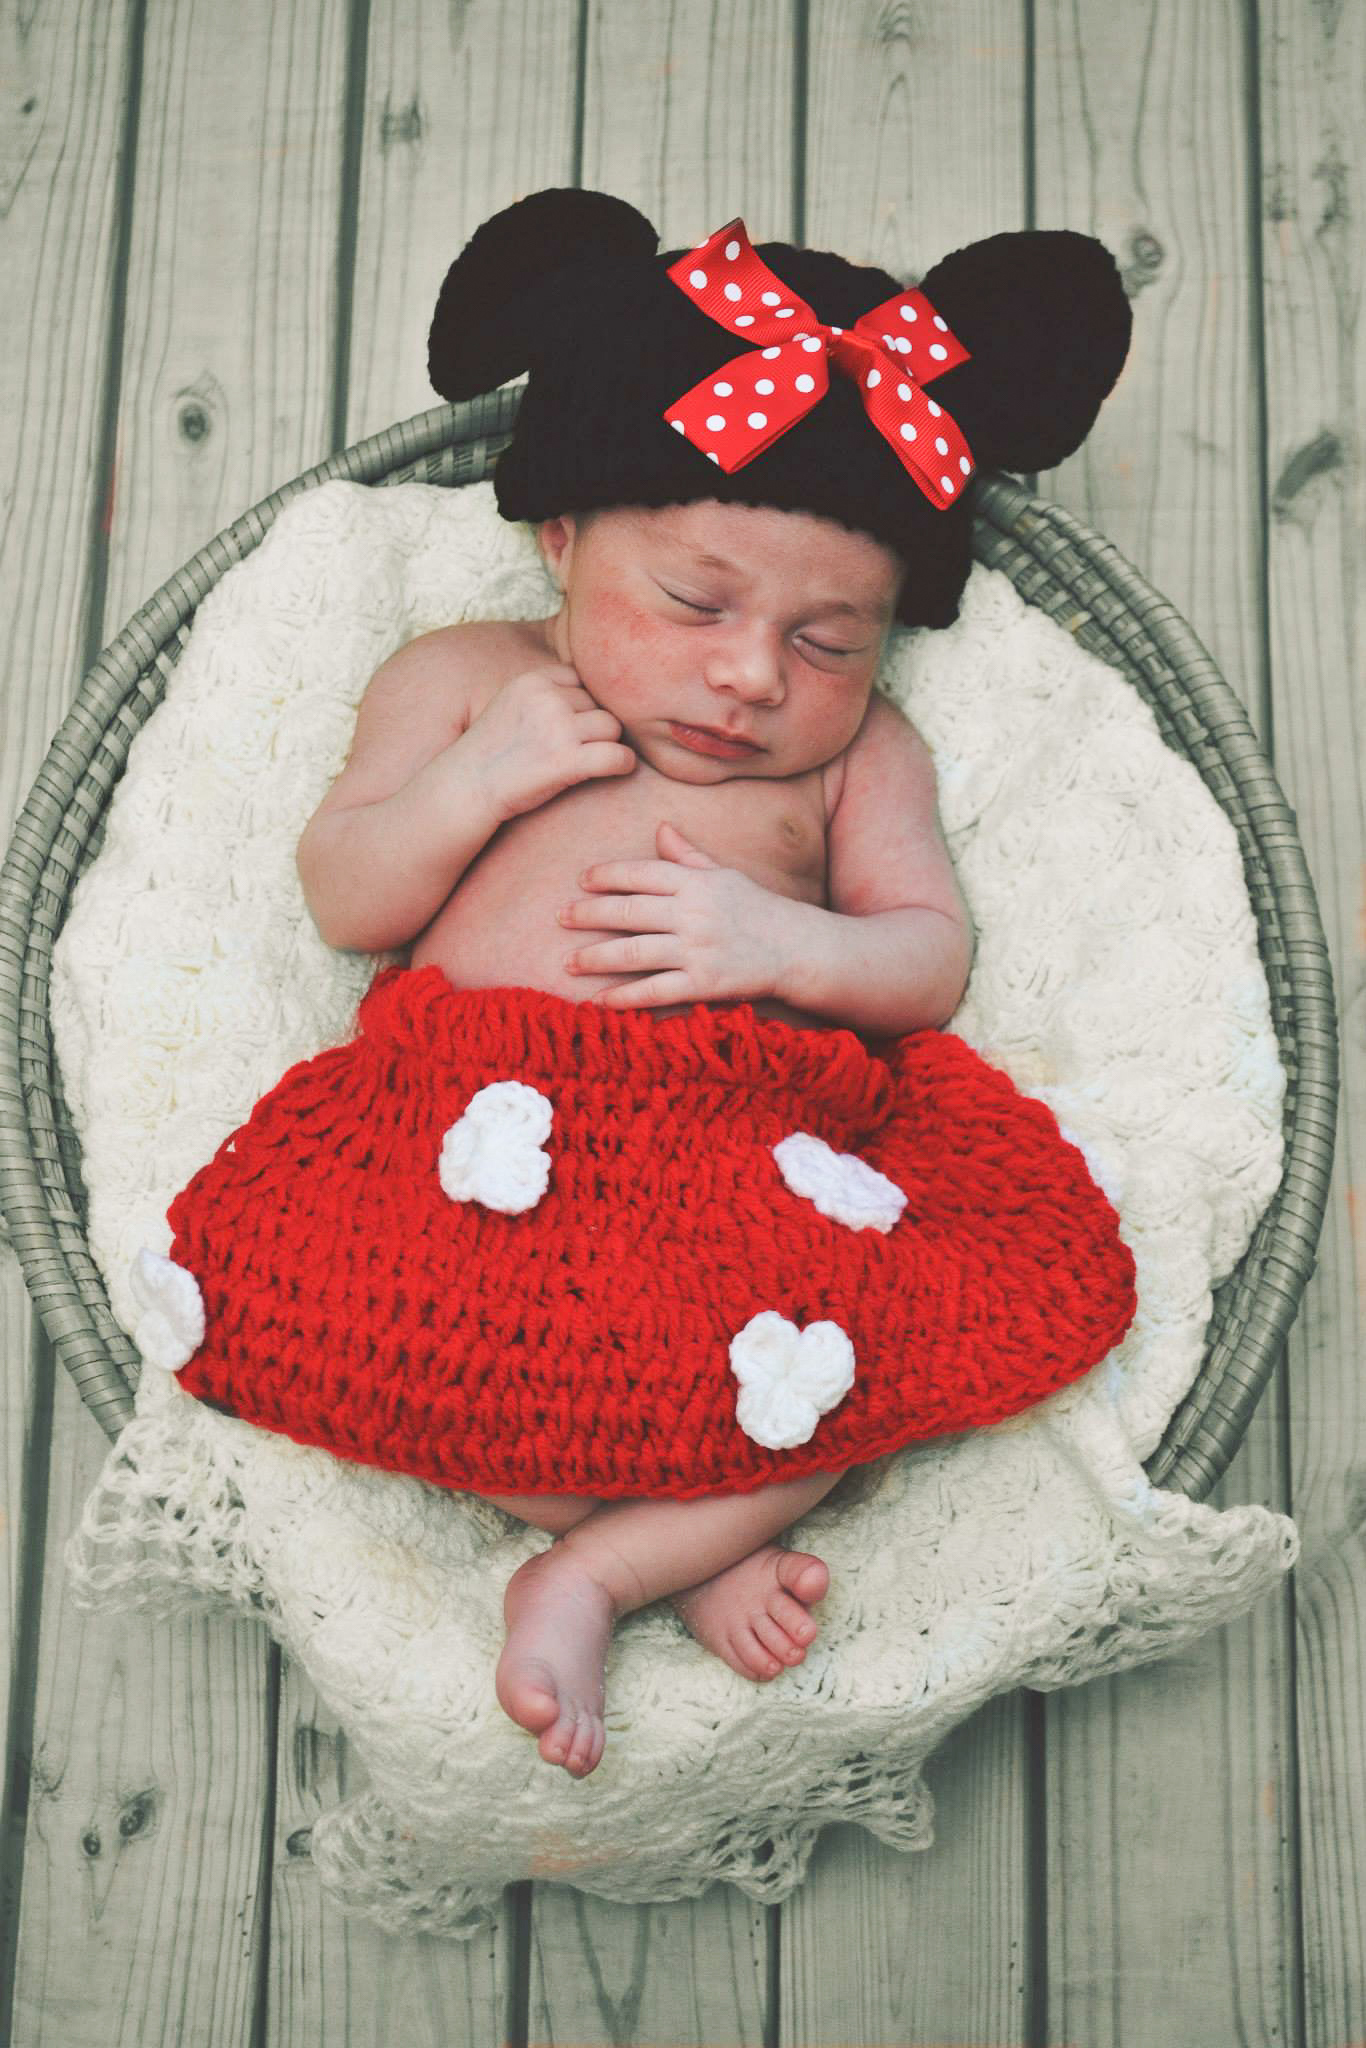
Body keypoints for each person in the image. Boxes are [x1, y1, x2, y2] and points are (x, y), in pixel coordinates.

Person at [143, 190, 1137, 1781]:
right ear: (559, 536)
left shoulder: (865, 757)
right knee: (377, 1337)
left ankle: (596, 1568)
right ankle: (667, 1537)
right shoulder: (466, 679)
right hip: (468, 1140)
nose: (753, 675)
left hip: (736, 1160)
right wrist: (474, 784)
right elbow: (347, 898)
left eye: (830, 639)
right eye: (694, 605)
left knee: (865, 1361)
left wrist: (784, 947)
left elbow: (924, 963)